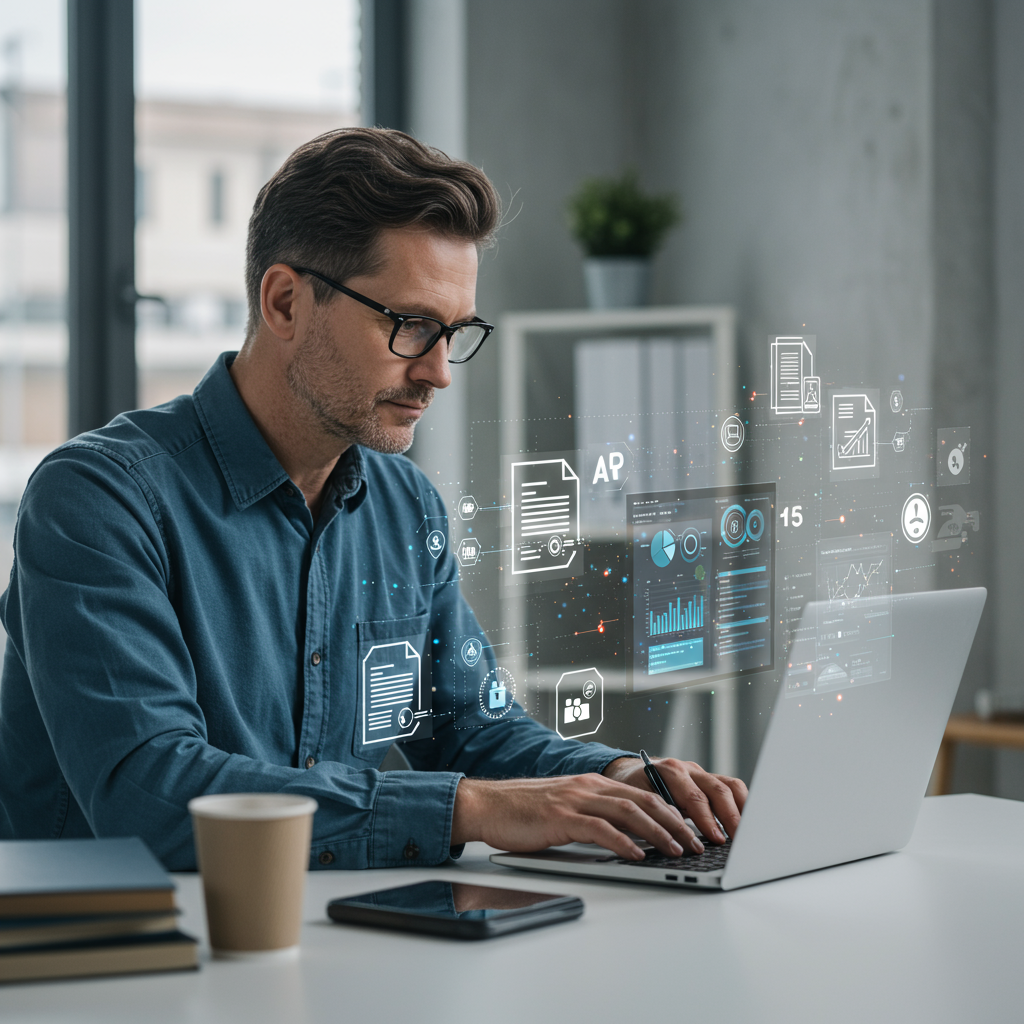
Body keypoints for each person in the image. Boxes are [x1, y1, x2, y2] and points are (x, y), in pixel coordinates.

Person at [0, 128, 746, 870]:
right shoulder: (97, 500)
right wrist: (476, 809)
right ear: (286, 302)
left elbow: (470, 730)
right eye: (412, 326)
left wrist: (615, 779)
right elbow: (153, 794)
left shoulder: (403, 504)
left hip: (318, 939)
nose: (439, 373)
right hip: (116, 959)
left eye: (454, 333)